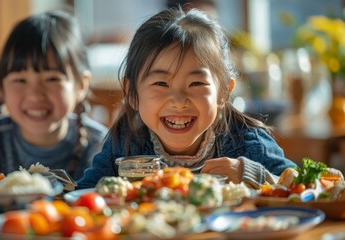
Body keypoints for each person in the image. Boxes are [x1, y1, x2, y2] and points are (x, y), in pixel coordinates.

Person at [77, 6, 297, 189]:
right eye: (161, 83)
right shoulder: (125, 142)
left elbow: (309, 188)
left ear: (223, 92)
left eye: (196, 83)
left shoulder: (249, 143)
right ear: (132, 93)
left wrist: (252, 175)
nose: (179, 100)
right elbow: (83, 195)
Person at [0, 10, 108, 180]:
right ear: (2, 88)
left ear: (81, 85)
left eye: (51, 79)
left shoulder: (102, 147)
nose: (35, 95)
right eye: (20, 80)